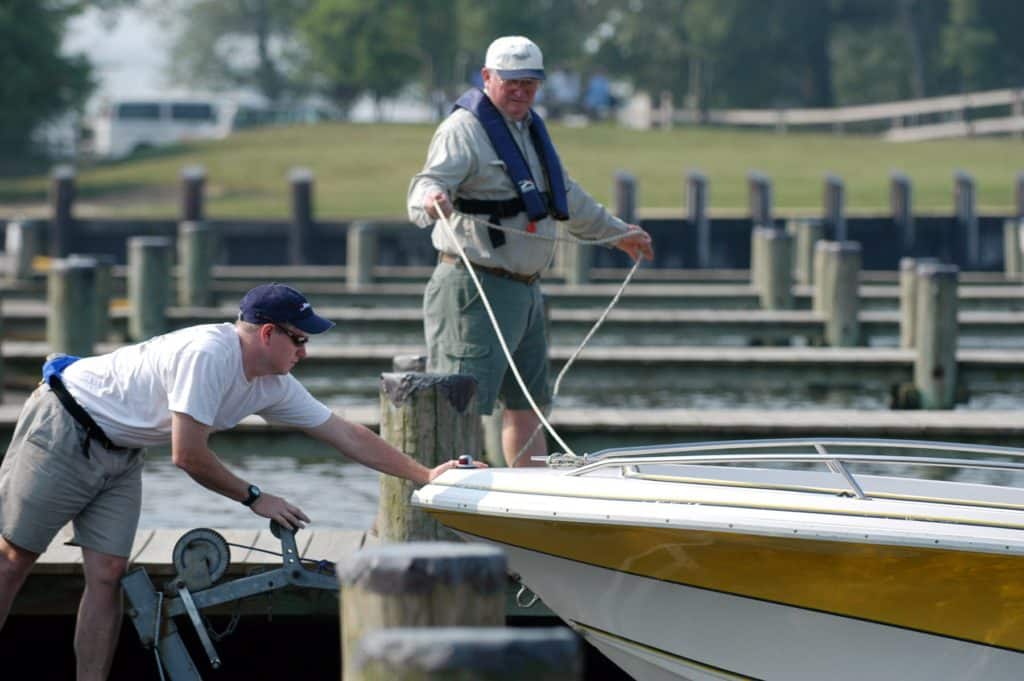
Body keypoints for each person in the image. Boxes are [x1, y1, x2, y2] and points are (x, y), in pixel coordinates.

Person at [0, 282, 476, 680]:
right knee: (15, 558)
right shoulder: (208, 354)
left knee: (106, 576)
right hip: (66, 424)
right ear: (268, 333)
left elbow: (343, 434)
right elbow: (186, 454)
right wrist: (255, 497)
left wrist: (424, 475)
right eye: (300, 340)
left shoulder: (272, 382)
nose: (305, 352)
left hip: (121, 452)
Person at [407, 35, 654, 467]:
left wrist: (617, 234)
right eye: (510, 81)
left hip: (526, 292)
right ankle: (449, 513)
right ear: (488, 78)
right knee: (460, 403)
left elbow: (567, 197)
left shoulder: (530, 129)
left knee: (529, 404)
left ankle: (526, 504)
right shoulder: (462, 130)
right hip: (474, 289)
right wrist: (431, 203)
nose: (520, 90)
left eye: (529, 82)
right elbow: (426, 183)